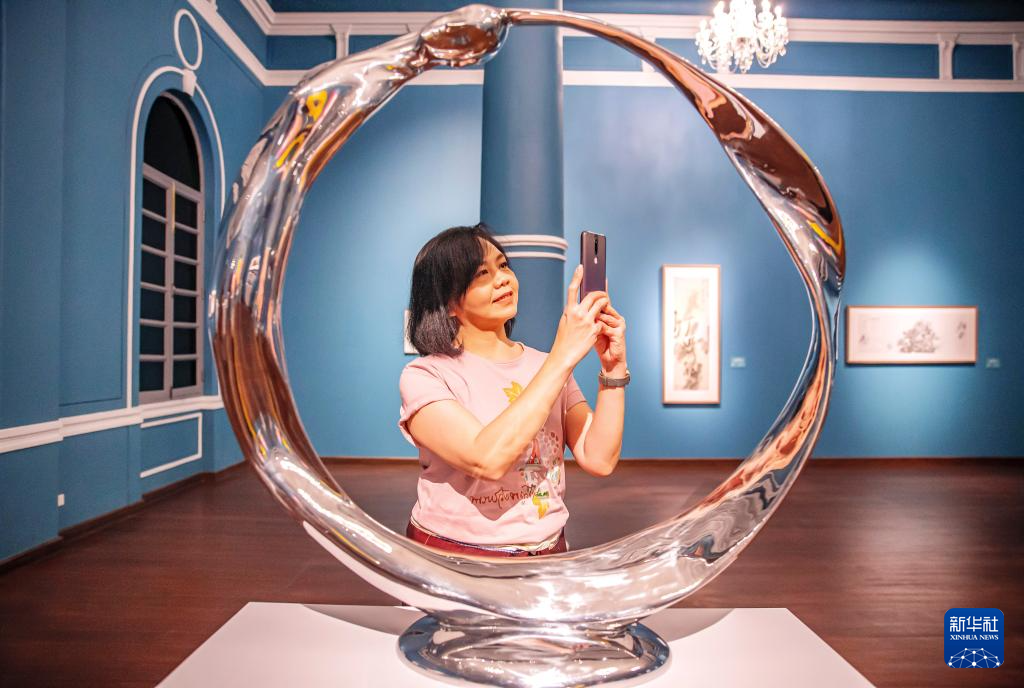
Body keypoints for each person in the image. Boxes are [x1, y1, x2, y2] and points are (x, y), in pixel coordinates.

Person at [398, 223, 629, 557]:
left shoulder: (546, 365)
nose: (503, 279)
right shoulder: (426, 375)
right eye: (482, 273)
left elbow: (599, 458)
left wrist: (613, 368)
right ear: (447, 301)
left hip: (547, 551)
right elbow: (487, 460)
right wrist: (563, 357)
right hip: (459, 557)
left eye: (503, 266)